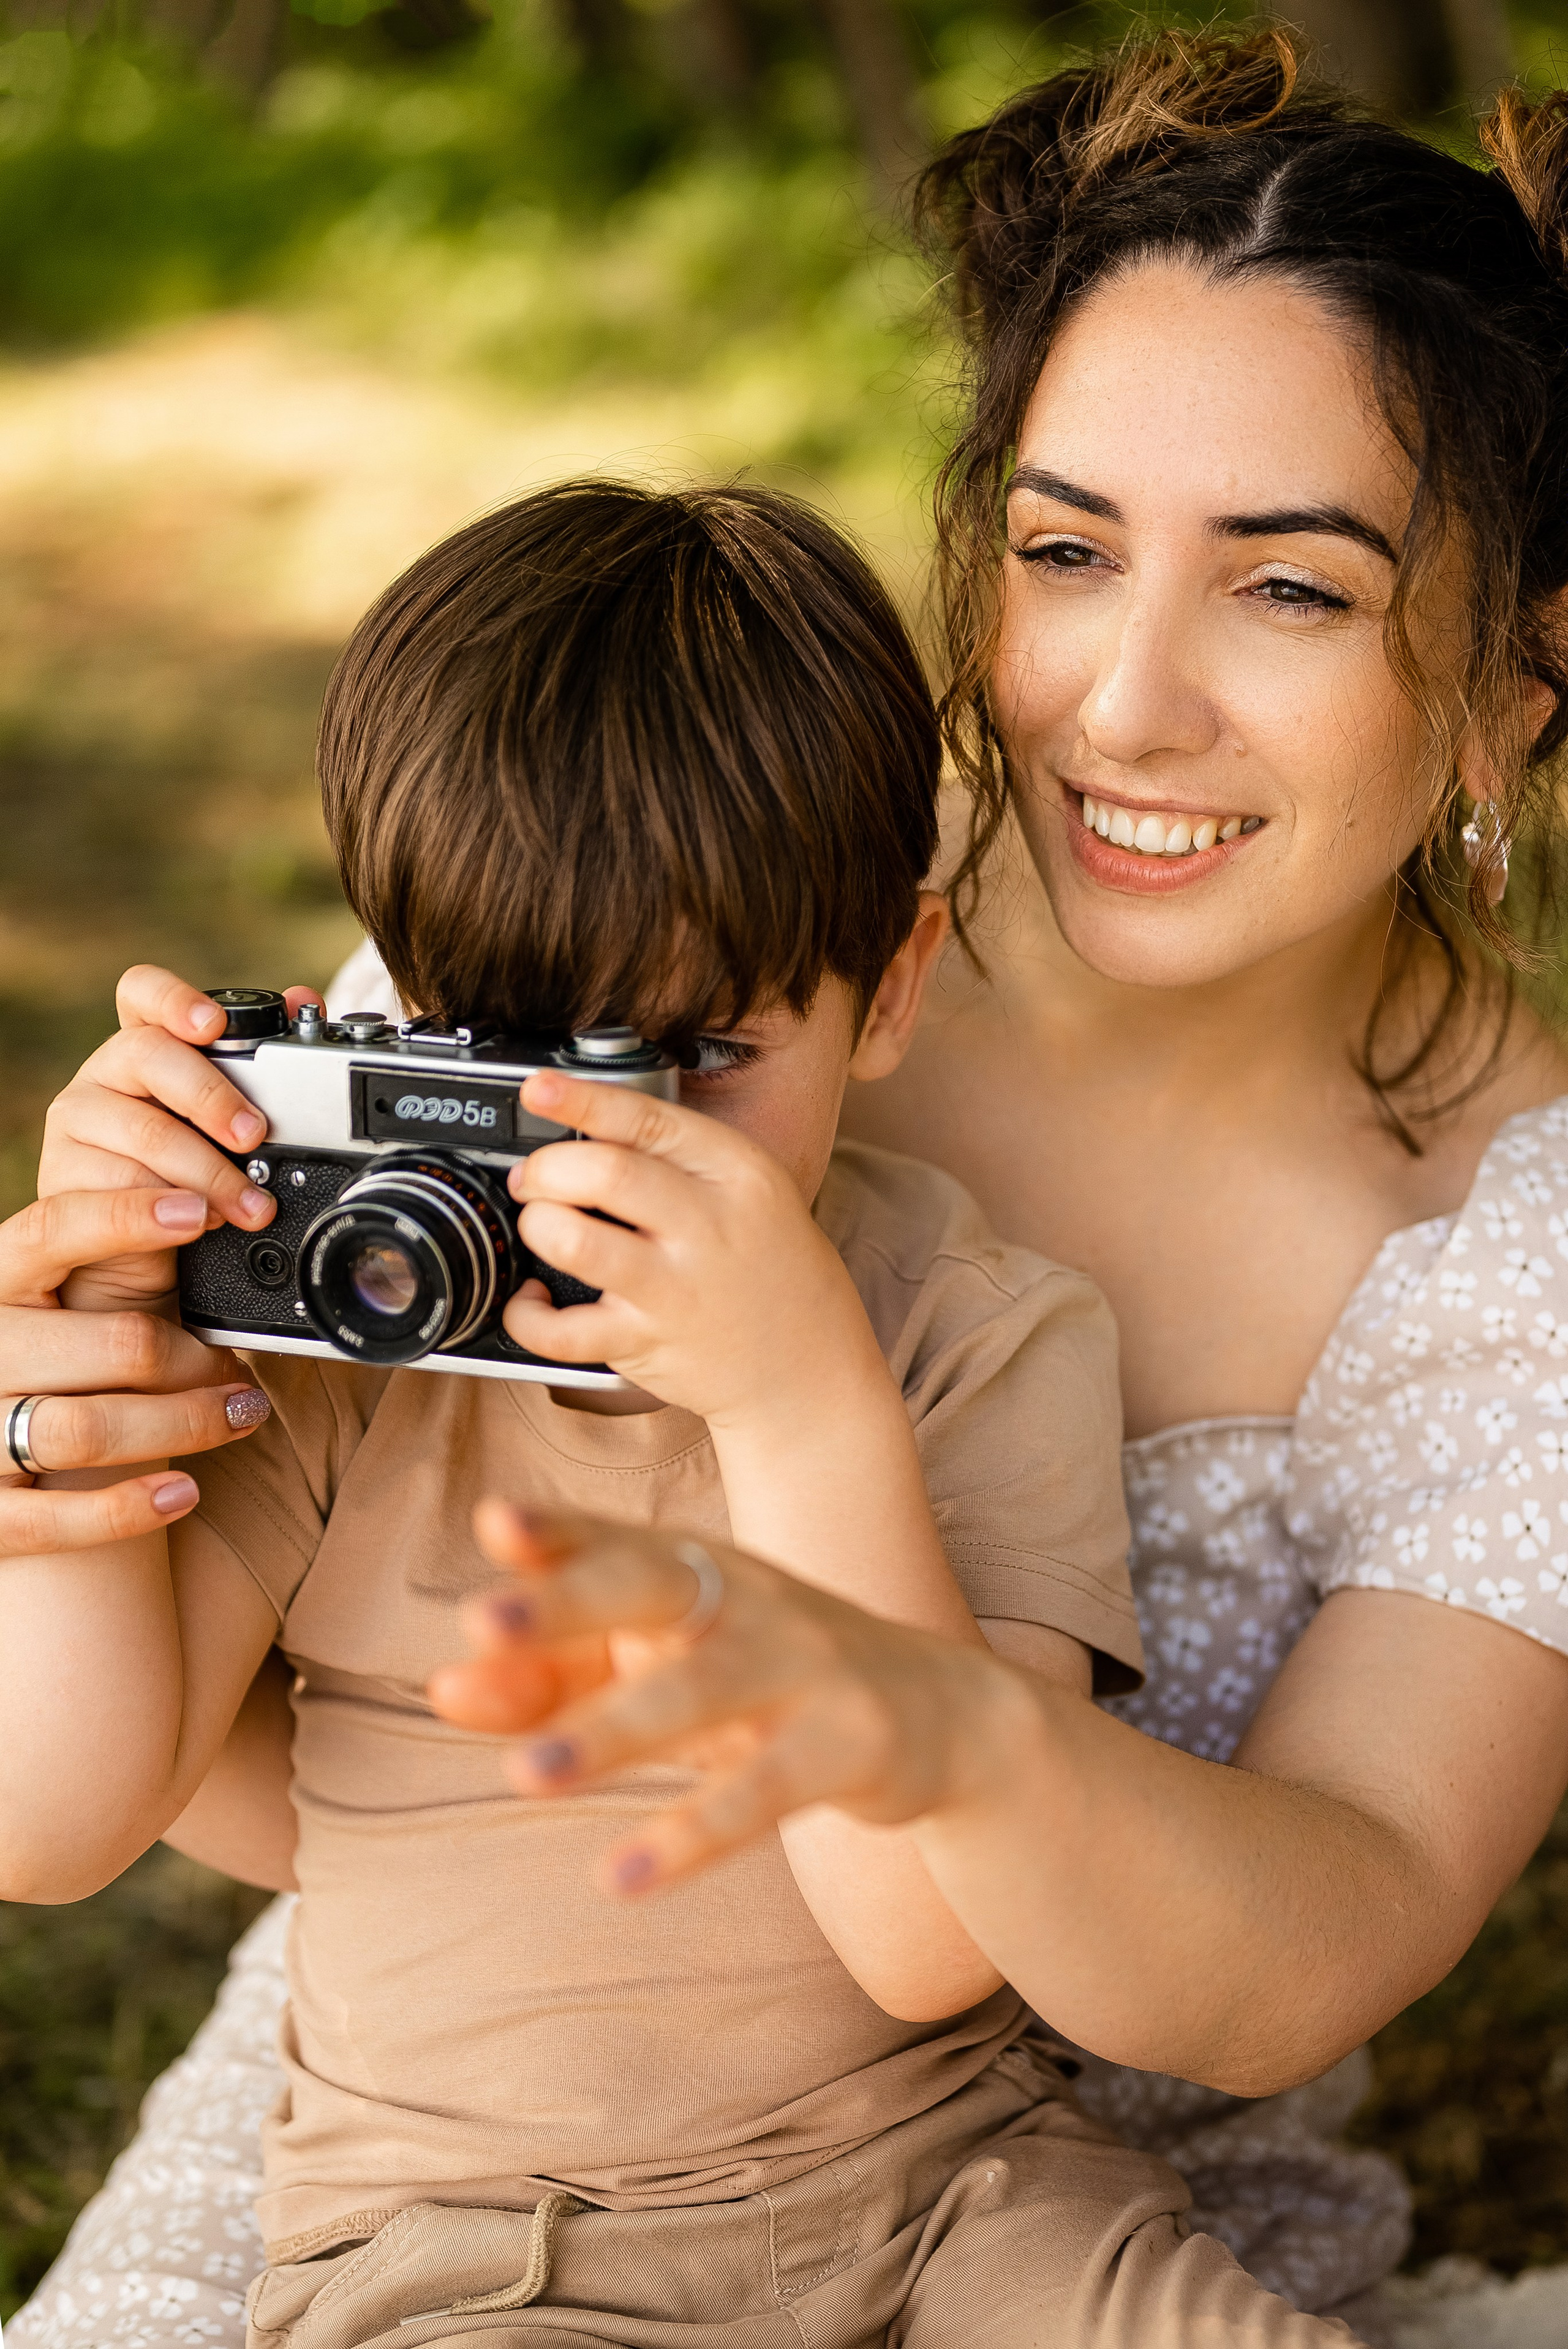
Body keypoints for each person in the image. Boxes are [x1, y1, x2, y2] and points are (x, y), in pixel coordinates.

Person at [12, 18, 1568, 2342]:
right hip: (445, 2109)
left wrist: (927, 1710)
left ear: (1520, 684)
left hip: (1039, 2195)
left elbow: (1322, 1932)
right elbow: (250, 1754)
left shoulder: (1522, 1245)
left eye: (1293, 590)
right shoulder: (663, 904)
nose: (1122, 703)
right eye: (1064, 552)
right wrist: (66, 1454)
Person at [0, 477, 1357, 2348]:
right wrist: (95, 1351)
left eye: (699, 1057)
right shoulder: (340, 1327)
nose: (598, 1153)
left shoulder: (974, 1331)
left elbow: (923, 1940)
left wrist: (801, 1406)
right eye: (511, 1055)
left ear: (888, 985)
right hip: (478, 2247)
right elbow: (50, 1822)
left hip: (955, 2191)